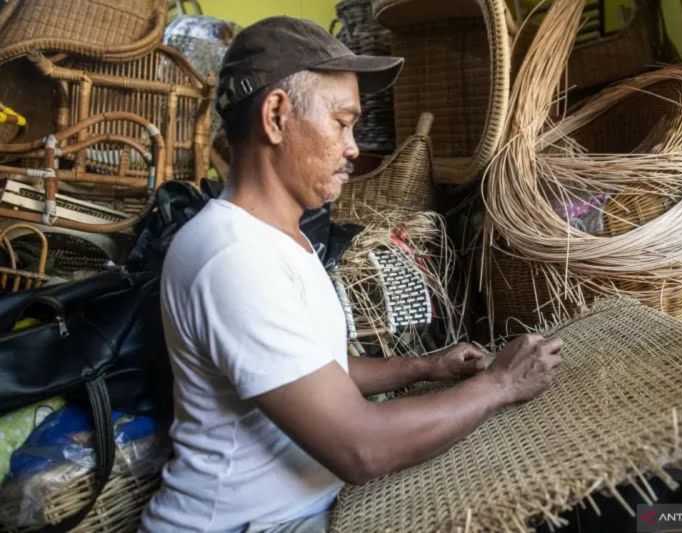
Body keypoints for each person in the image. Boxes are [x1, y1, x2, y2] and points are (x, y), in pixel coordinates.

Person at [140, 16, 562, 533]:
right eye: (342, 122)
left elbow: (312, 367)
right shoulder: (233, 258)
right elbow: (361, 447)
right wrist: (500, 385)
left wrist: (425, 367)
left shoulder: (277, 238)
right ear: (276, 116)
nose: (354, 147)